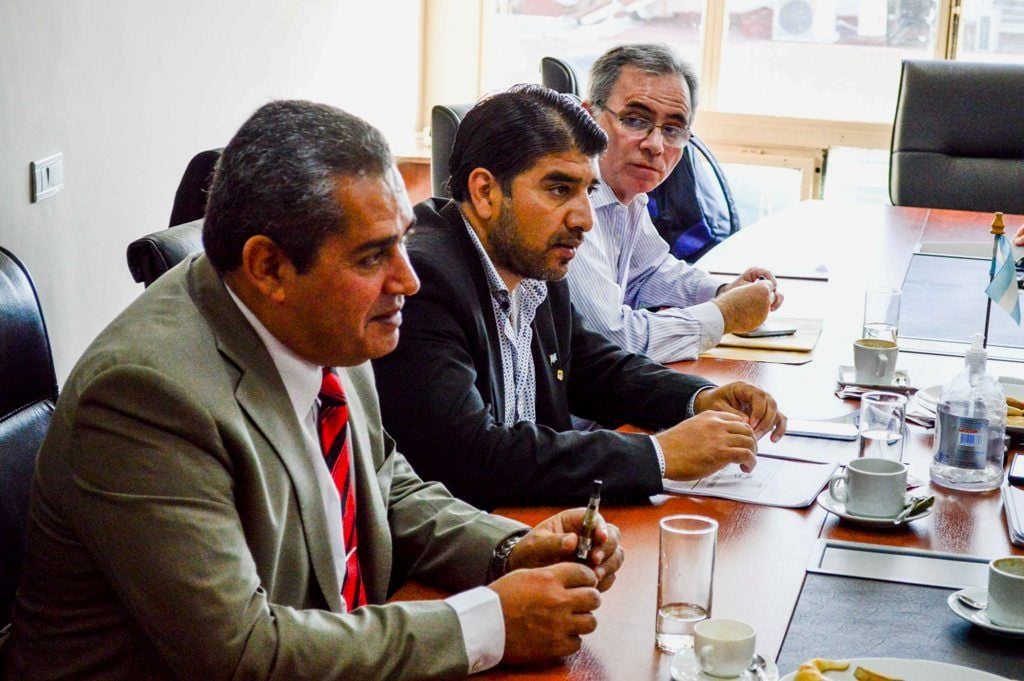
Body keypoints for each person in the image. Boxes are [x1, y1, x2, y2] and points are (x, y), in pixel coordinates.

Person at [1, 101, 625, 680]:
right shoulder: (144, 397)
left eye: (403, 241)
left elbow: (383, 483)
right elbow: (242, 651)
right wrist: (486, 624)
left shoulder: (327, 319)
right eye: (373, 257)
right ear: (269, 267)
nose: (407, 280)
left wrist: (510, 549)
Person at [371, 85, 786, 510]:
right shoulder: (423, 282)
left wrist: (697, 399)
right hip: (472, 537)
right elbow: (471, 457)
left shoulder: (531, 258)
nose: (585, 219)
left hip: (537, 520)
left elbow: (592, 367)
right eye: (559, 189)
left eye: (588, 191)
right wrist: (660, 455)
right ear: (485, 192)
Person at [567, 43, 785, 363]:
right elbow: (614, 341)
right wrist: (724, 314)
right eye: (635, 120)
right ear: (588, 119)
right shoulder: (568, 209)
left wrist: (722, 291)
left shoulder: (628, 195)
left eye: (672, 129)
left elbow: (651, 272)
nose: (655, 145)